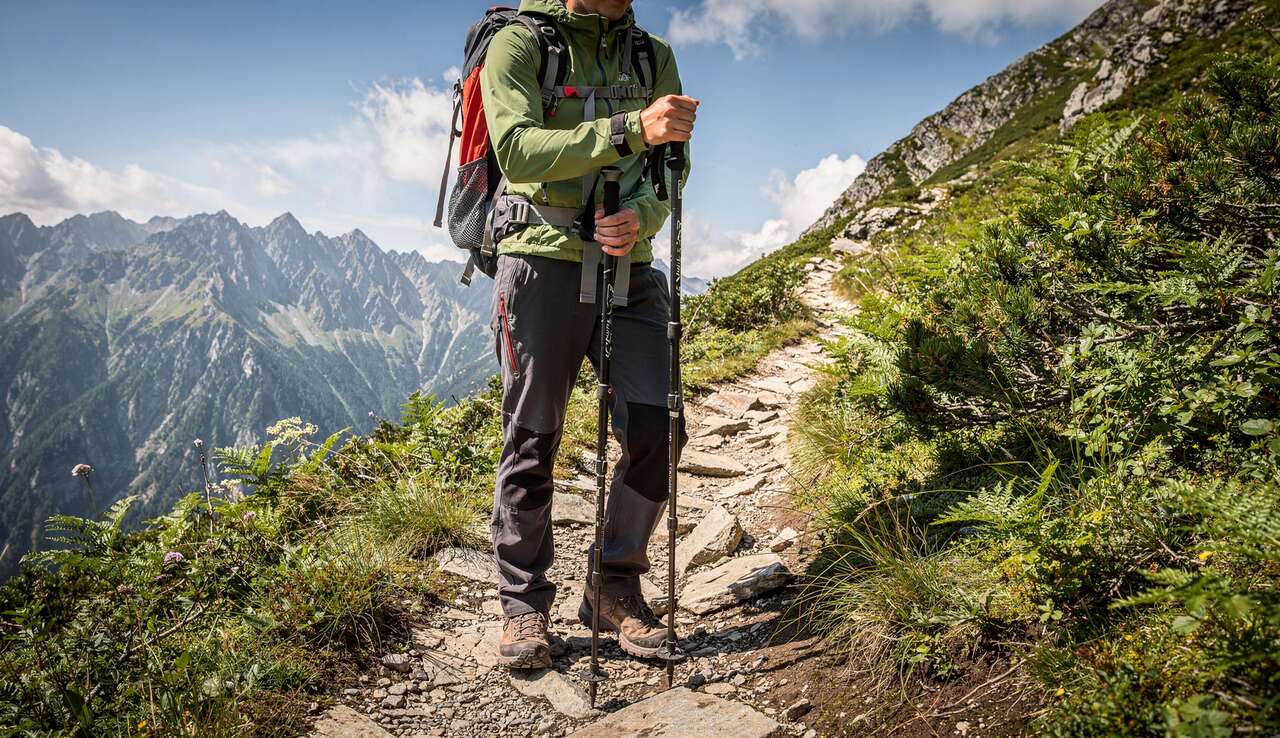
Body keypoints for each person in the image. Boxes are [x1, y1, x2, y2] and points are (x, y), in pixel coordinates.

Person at [480, 0, 697, 668]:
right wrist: (630, 128)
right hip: (538, 258)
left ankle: (613, 583)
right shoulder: (518, 43)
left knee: (660, 425)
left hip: (629, 267)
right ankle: (523, 604)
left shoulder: (651, 56)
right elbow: (518, 151)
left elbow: (672, 166)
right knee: (533, 434)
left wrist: (641, 216)